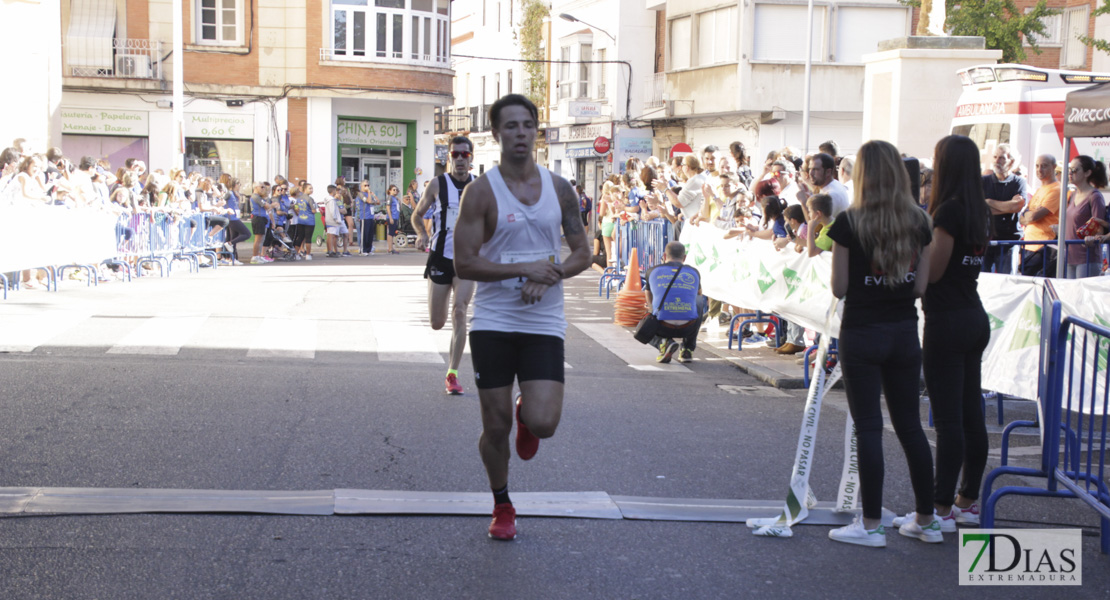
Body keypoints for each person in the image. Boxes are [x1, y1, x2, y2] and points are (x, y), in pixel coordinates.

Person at [453, 94, 591, 541]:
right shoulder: (480, 192)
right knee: (495, 427)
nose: (519, 133)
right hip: (494, 320)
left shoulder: (560, 189)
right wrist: (521, 269)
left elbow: (585, 253)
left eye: (527, 125)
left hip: (542, 322)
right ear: (495, 135)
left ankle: (527, 414)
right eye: (510, 126)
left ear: (537, 131)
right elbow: (464, 264)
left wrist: (549, 276)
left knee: (545, 424)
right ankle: (503, 504)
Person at [825, 139, 939, 547]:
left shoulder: (848, 222)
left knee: (869, 426)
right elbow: (919, 287)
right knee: (910, 426)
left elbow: (839, 287)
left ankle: (870, 524)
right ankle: (926, 519)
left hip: (861, 331)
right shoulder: (920, 222)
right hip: (904, 332)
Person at [892, 134, 990, 536]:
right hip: (971, 314)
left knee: (949, 419)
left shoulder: (948, 212)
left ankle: (940, 507)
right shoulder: (978, 210)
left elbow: (934, 274)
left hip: (948, 320)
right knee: (969, 415)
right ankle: (965, 502)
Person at [413, 135, 477, 395]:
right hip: (440, 258)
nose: (460, 159)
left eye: (465, 155)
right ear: (448, 157)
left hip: (468, 260)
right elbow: (418, 215)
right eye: (455, 155)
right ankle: (450, 366)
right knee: (437, 323)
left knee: (460, 311)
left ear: (471, 158)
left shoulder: (480, 187)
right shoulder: (437, 185)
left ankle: (452, 373)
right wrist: (421, 233)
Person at [644, 241, 705, 364]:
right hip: (688, 326)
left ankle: (663, 343)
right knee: (698, 301)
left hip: (662, 326)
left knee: (646, 313)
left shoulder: (652, 271)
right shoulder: (694, 272)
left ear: (664, 256)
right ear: (684, 257)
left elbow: (649, 299)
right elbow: (699, 294)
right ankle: (687, 349)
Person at [981, 144, 1029, 274]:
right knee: (982, 282)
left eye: (1001, 158)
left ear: (1011, 161)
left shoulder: (1019, 182)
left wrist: (989, 202)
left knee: (1008, 282)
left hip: (1009, 242)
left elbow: (1017, 206)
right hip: (984, 241)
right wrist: (1007, 207)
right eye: (995, 157)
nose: (996, 161)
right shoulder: (983, 181)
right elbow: (978, 208)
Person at [1066, 155, 1108, 278]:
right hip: (1070, 256)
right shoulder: (1072, 195)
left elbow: (1098, 227)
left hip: (1087, 257)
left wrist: (1092, 237)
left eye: (1075, 170)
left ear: (1087, 173)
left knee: (1083, 296)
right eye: (1069, 169)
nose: (1070, 173)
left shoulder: (1094, 196)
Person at [1019, 154, 1061, 276]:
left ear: (1054, 167)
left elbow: (1032, 217)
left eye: (1044, 166)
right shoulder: (1040, 189)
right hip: (1029, 244)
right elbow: (1022, 217)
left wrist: (1029, 216)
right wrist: (1028, 216)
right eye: (1037, 166)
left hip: (1043, 247)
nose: (1039, 170)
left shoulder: (1056, 190)